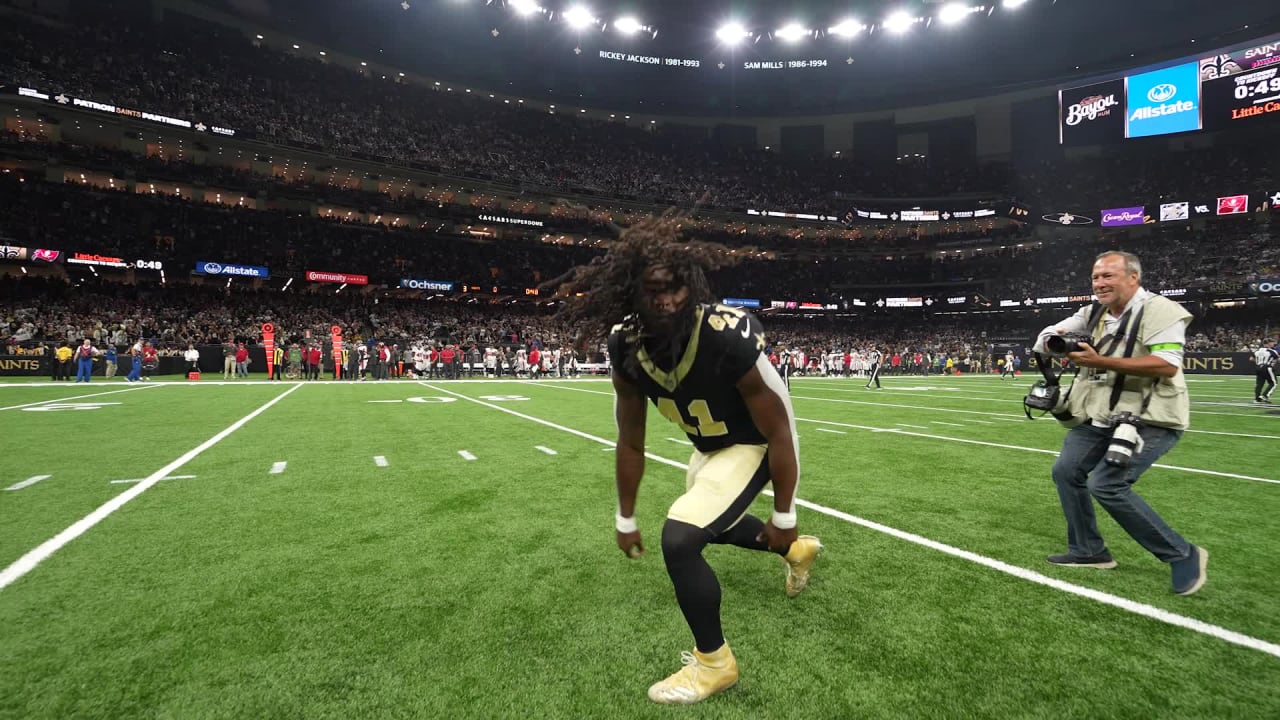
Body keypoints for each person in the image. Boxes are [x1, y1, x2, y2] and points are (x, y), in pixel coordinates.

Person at [550, 214, 822, 705]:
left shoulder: (724, 333)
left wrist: (785, 512)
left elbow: (780, 428)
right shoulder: (625, 345)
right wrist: (624, 514)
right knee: (714, 523)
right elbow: (630, 438)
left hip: (753, 443)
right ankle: (796, 551)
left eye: (676, 288)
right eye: (653, 290)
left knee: (679, 539)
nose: (667, 300)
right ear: (629, 291)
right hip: (710, 447)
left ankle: (714, 664)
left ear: (690, 286)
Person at [1033, 251, 1206, 595]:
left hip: (1151, 414)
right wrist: (1053, 336)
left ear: (1133, 278)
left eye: (1108, 276)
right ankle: (1088, 550)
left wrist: (1100, 360)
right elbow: (1047, 340)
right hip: (1102, 412)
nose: (1099, 283)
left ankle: (1183, 554)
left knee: (1107, 484)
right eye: (1096, 277)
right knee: (1066, 471)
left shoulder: (1161, 311)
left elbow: (1167, 364)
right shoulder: (1092, 312)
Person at [1253, 339, 1277, 403]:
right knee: (1273, 383)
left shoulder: (1257, 350)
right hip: (1267, 367)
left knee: (1259, 384)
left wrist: (1259, 362)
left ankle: (1257, 398)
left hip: (1258, 367)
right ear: (1268, 343)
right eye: (1272, 342)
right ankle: (1265, 395)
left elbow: (1251, 358)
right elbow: (1277, 358)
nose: (1273, 344)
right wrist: (1272, 363)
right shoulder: (1272, 351)